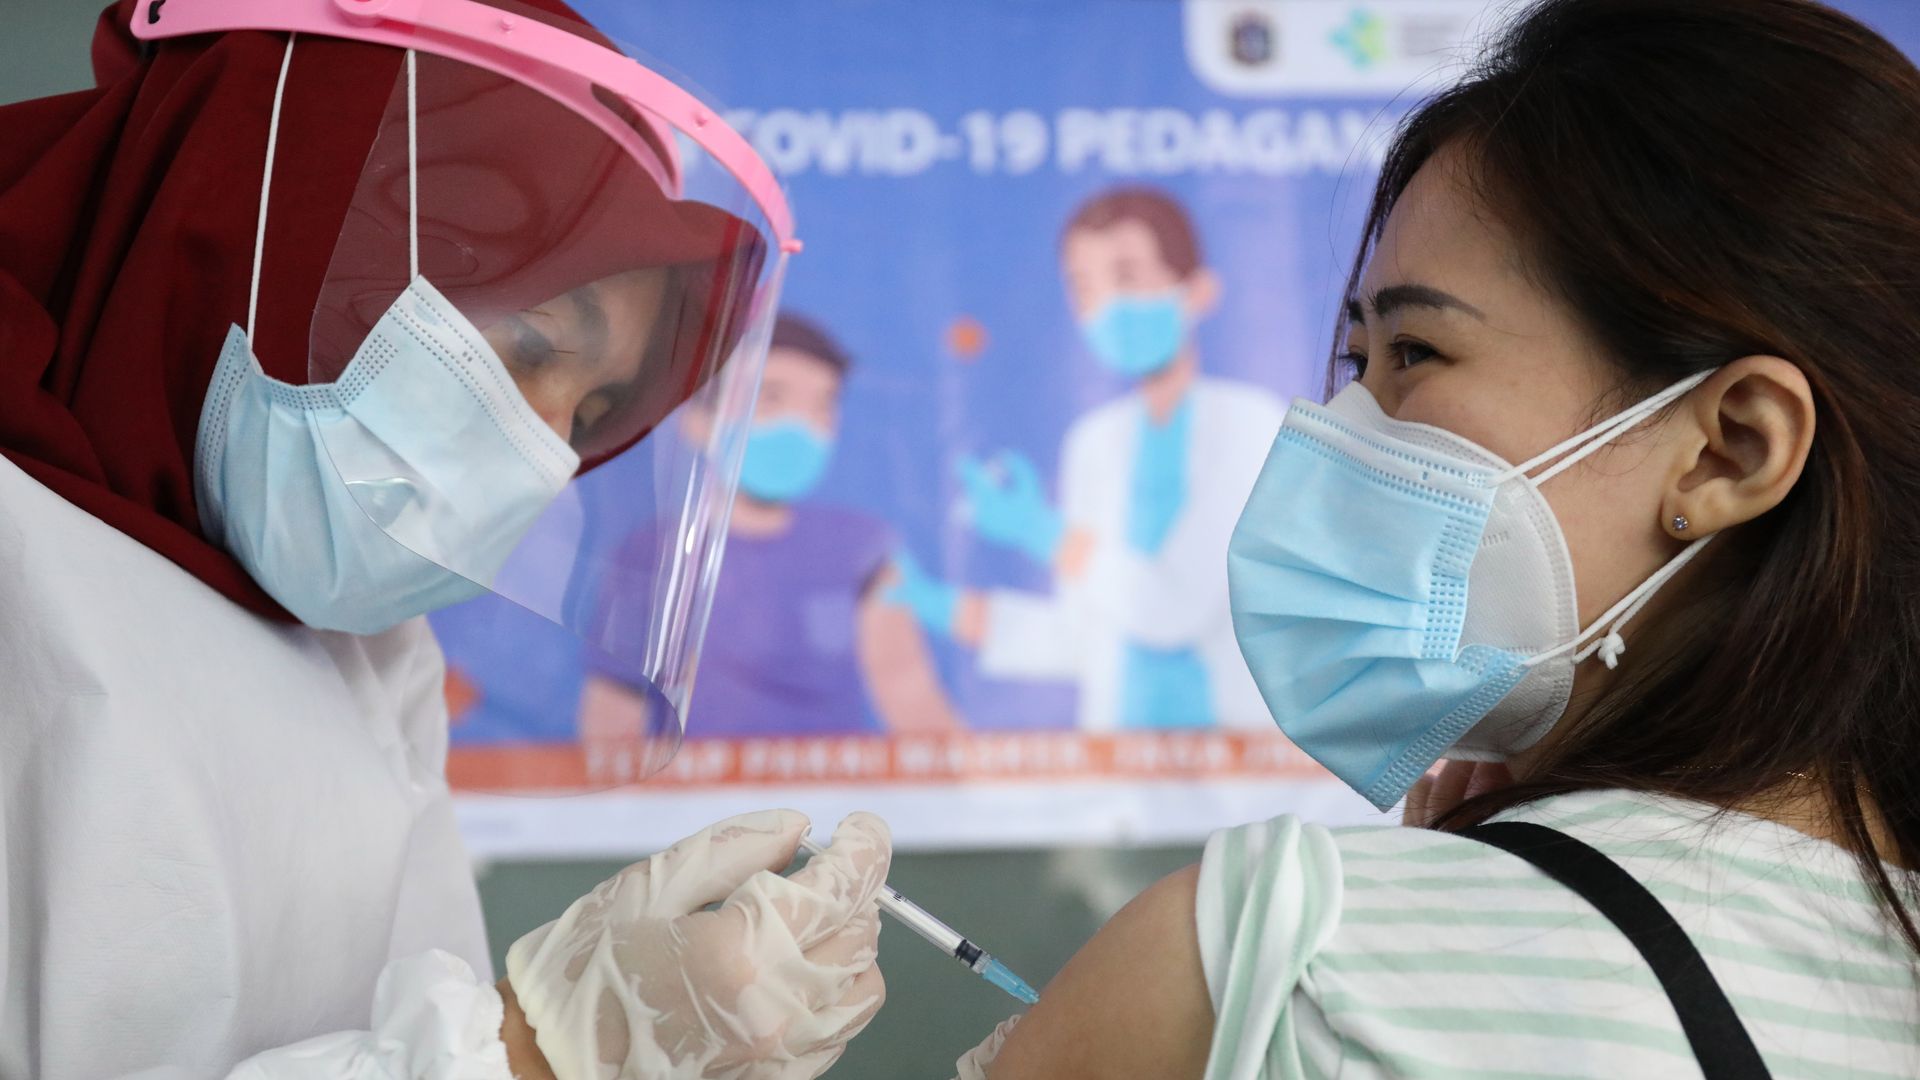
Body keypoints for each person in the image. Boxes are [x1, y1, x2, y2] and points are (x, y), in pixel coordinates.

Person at [949, 0, 1920, 1076]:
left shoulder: (1269, 957)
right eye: (1355, 361)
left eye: (1415, 351)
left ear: (1729, 450)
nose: (1346, 429)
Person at [0, 2, 892, 1076]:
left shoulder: (369, 648)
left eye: (593, 413)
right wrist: (541, 1050)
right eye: (531, 346)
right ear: (268, 217)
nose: (546, 455)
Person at [890, 187, 1285, 731]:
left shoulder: (1251, 424)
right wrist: (943, 607)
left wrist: (1044, 533)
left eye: (1127, 276)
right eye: (1085, 287)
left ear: (1196, 291)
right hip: (1116, 762)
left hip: (1234, 753)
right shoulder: (1094, 441)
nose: (1107, 307)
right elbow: (1086, 636)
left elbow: (1173, 610)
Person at [577, 313, 960, 758]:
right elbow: (614, 715)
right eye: (771, 397)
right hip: (698, 796)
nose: (800, 427)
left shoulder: (862, 549)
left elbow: (909, 693)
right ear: (698, 420)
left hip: (833, 795)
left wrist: (977, 788)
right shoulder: (652, 555)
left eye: (822, 405)